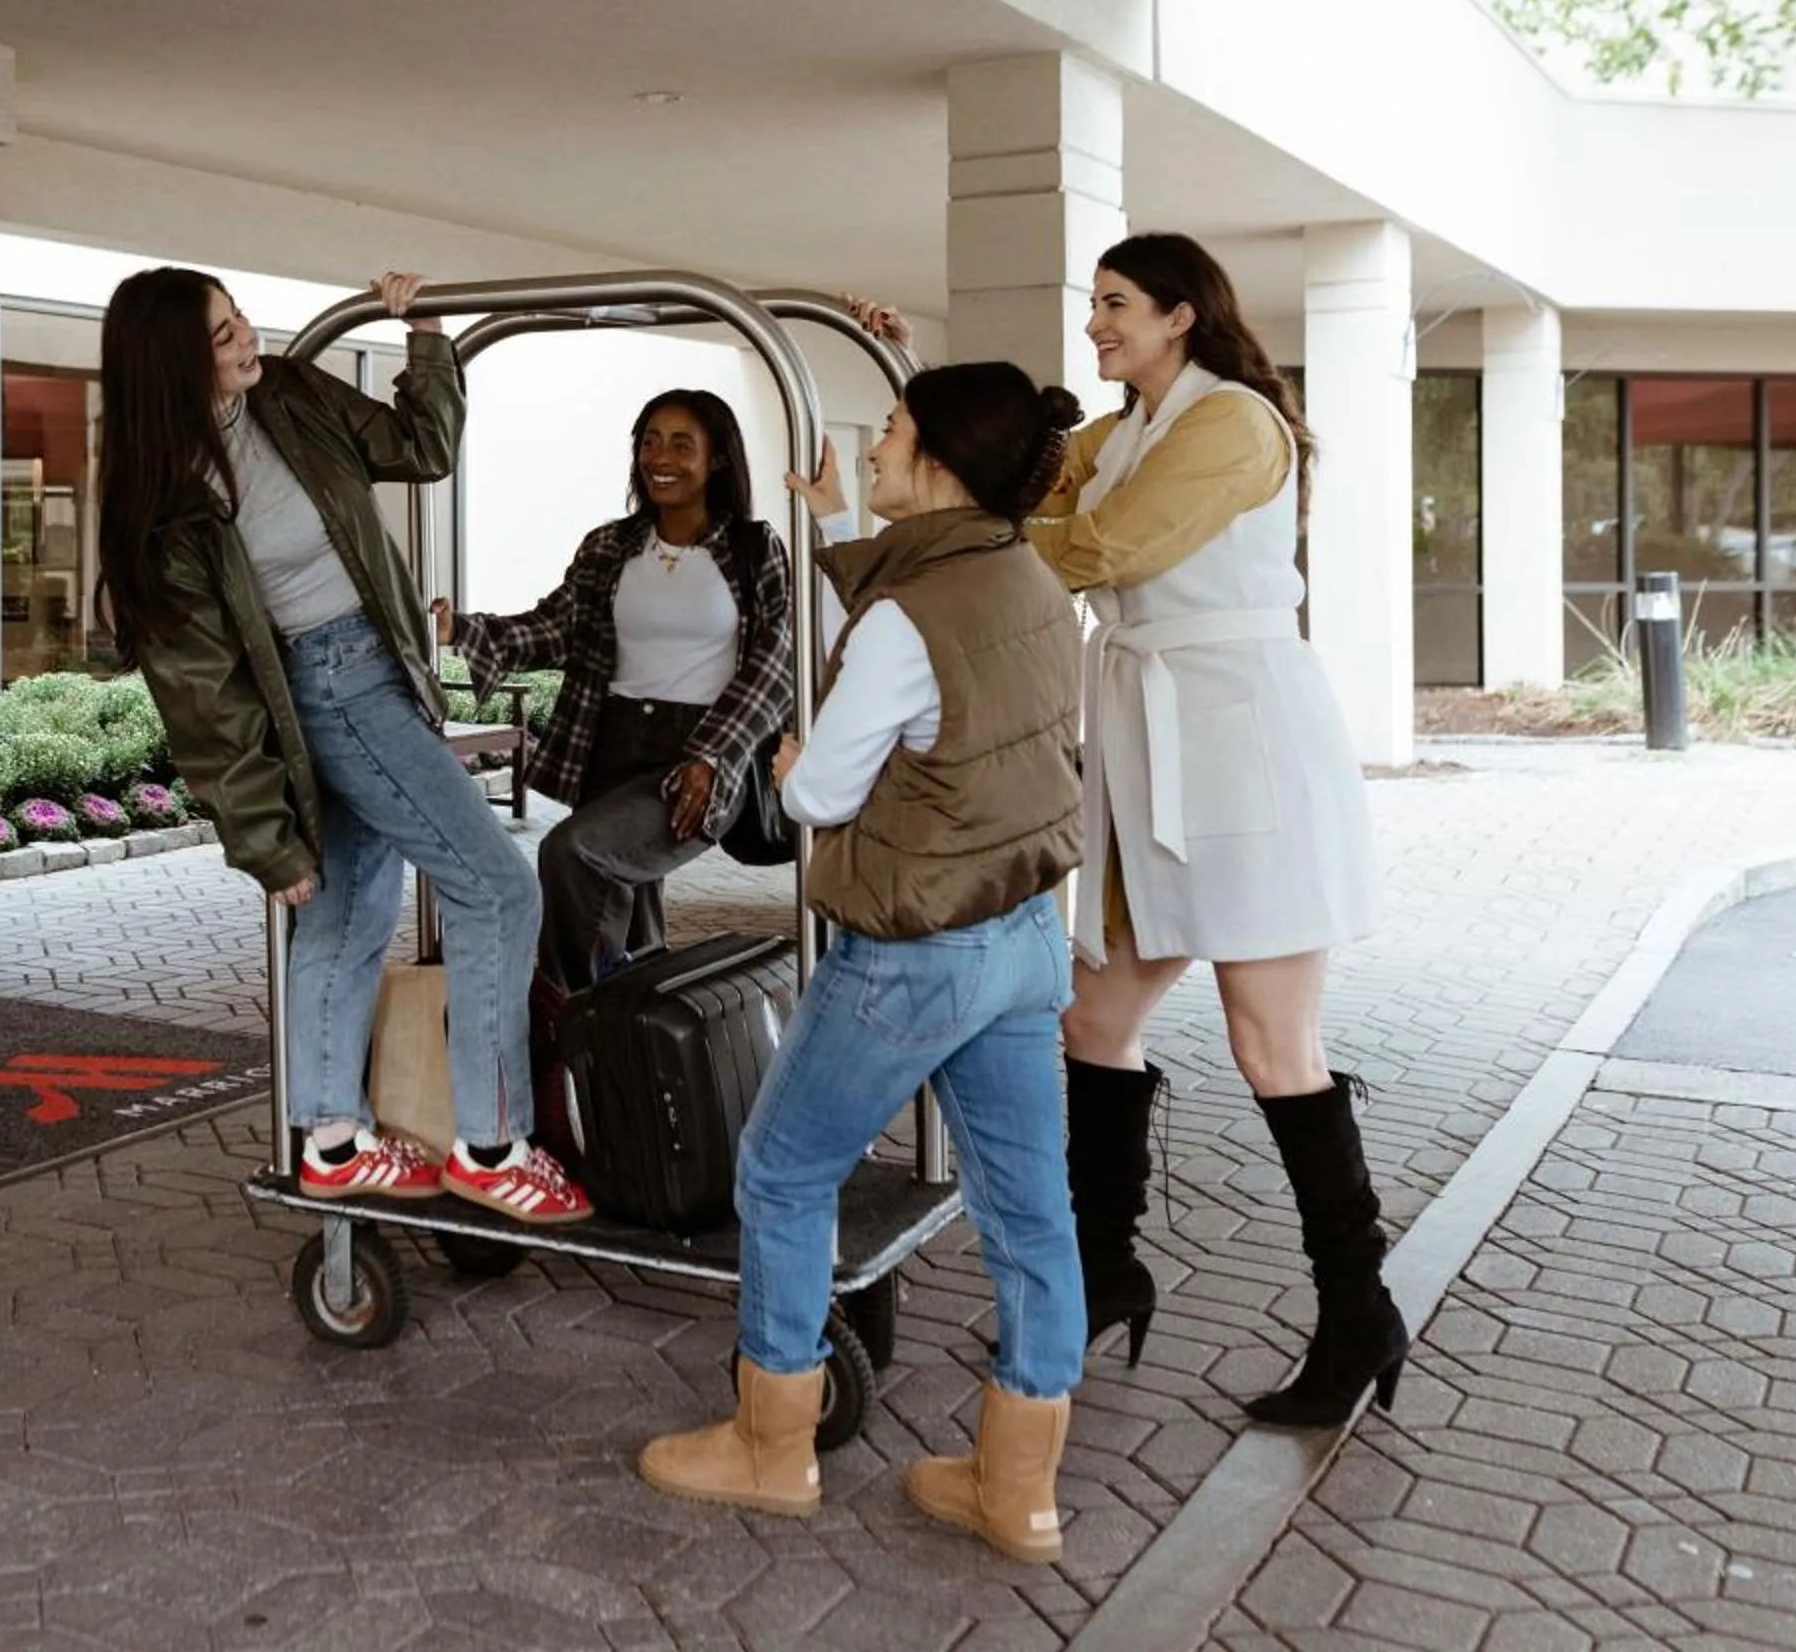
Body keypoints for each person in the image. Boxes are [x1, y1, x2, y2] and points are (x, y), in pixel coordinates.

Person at [639, 362, 1091, 1566]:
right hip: (1024, 936)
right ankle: (1019, 1486)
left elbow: (824, 787)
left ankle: (770, 1440)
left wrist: (792, 759)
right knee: (1031, 1214)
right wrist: (839, 522)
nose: (874, 445)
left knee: (784, 1170)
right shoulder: (1034, 579)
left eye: (888, 431)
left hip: (913, 952)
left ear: (938, 455)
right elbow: (952, 703)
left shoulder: (904, 620)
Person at [94, 266, 590, 1226]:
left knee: (355, 905)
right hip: (335, 689)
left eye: (240, 316)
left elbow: (419, 446)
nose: (248, 337)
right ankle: (491, 1146)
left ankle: (332, 1141)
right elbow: (203, 695)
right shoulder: (165, 504)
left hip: (377, 671)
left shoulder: (286, 395)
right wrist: (264, 837)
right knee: (497, 886)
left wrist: (431, 338)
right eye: (223, 332)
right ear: (170, 364)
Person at [1024, 231, 1395, 1427]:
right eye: (1096, 307)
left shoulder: (1233, 423)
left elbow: (1103, 545)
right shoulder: (1124, 428)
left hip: (1240, 741)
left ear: (1183, 313)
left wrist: (983, 547)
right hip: (1144, 740)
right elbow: (1020, 484)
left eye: (1116, 305)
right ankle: (1101, 1269)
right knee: (1094, 1016)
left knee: (1271, 1040)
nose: (1097, 327)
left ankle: (1358, 1312)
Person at [437, 388, 797, 996]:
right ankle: (631, 1046)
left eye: (683, 444)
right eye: (650, 441)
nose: (661, 456)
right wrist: (461, 630)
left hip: (701, 750)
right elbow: (556, 626)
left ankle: (567, 1012)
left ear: (718, 461)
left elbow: (776, 664)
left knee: (574, 855)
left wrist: (711, 755)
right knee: (626, 916)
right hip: (613, 740)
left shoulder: (753, 549)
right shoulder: (610, 546)